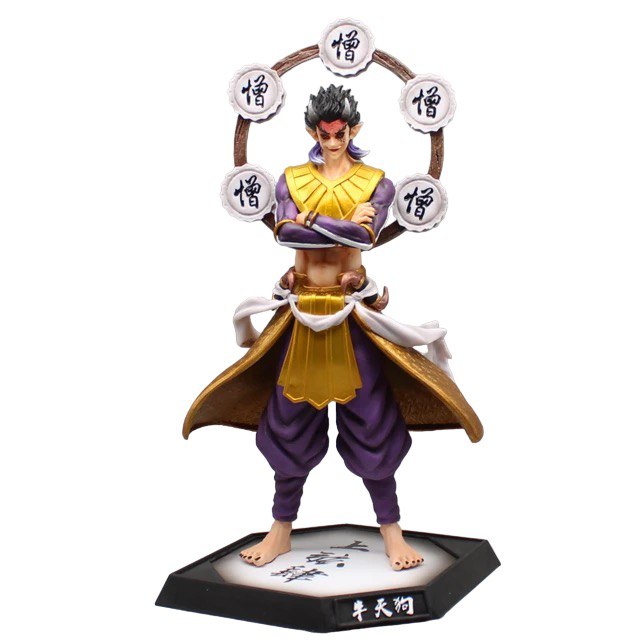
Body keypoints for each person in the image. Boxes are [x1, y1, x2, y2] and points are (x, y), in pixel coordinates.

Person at [183, 85, 483, 571]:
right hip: (300, 314)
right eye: (324, 135)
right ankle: (281, 530)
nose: (332, 141)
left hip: (351, 317)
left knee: (372, 424)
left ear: (353, 130)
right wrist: (332, 223)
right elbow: (286, 233)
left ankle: (392, 532)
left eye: (340, 133)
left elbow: (365, 235)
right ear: (312, 133)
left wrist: (310, 221)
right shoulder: (292, 178)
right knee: (288, 425)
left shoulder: (377, 183)